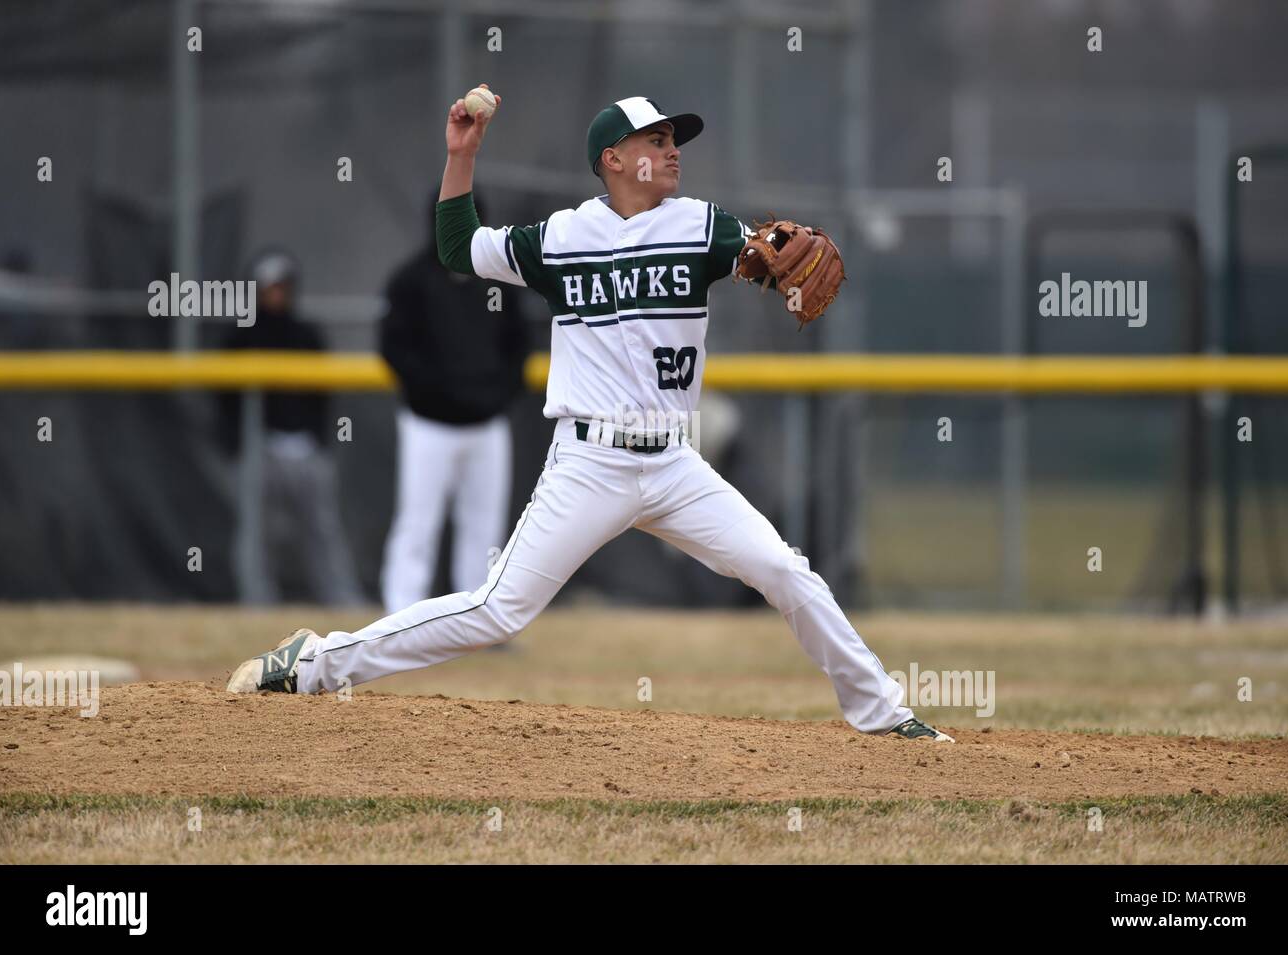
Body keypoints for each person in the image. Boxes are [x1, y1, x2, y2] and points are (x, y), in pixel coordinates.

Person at [229, 91, 952, 742]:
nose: (672, 150)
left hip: (673, 463)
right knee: (498, 610)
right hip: (589, 461)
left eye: (675, 140)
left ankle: (883, 714)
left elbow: (766, 257)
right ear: (613, 158)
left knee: (783, 570)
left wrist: (776, 260)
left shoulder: (700, 226)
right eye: (655, 139)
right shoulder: (561, 238)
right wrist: (462, 156)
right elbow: (457, 246)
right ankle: (317, 663)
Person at [378, 193, 529, 613]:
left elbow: (519, 348)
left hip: (486, 424)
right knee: (418, 522)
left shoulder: (500, 281)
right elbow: (394, 350)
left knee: (485, 528)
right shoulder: (410, 280)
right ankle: (400, 612)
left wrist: (494, 396)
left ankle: (479, 616)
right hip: (429, 424)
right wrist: (439, 393)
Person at [219, 249, 364, 606]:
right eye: (268, 288)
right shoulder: (240, 337)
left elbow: (322, 394)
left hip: (305, 448)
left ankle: (341, 602)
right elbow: (224, 399)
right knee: (255, 534)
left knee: (322, 531)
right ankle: (257, 602)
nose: (276, 295)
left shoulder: (306, 335)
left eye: (281, 287)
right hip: (260, 449)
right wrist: (236, 444)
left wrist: (318, 438)